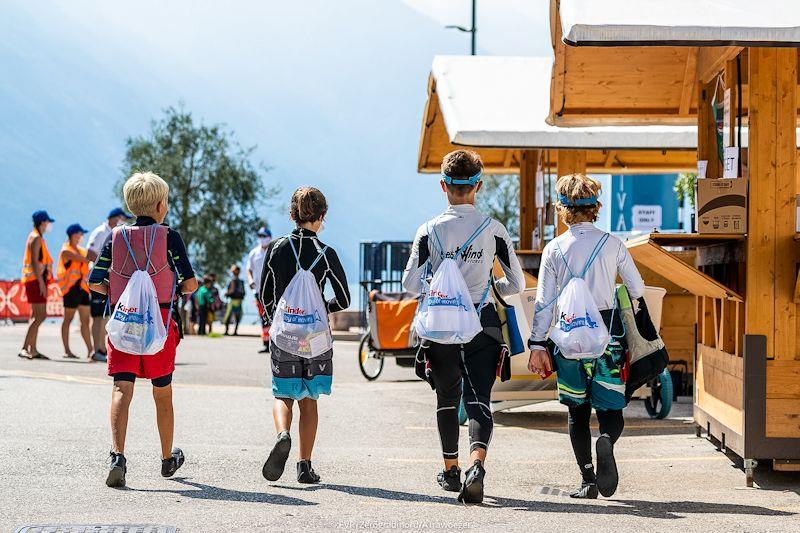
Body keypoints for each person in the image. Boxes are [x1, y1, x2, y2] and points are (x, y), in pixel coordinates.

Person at [402, 150, 524, 504]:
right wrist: (492, 290)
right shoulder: (494, 230)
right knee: (478, 399)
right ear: (478, 186)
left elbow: (410, 283)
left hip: (441, 322)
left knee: (446, 397)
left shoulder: (428, 230)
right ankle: (476, 465)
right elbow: (514, 284)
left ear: (443, 186)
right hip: (481, 320)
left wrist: (436, 288)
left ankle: (451, 470)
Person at [527, 173, 645, 500]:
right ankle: (606, 437)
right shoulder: (612, 244)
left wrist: (538, 344)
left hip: (567, 338)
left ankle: (588, 480)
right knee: (611, 409)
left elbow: (544, 303)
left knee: (576, 412)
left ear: (563, 209)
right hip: (608, 336)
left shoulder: (554, 249)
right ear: (596, 207)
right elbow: (636, 289)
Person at [88, 172, 198, 488]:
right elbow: (190, 283)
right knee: (162, 393)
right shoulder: (170, 237)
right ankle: (166, 458)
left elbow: (94, 280)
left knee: (122, 389)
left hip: (123, 326)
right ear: (161, 205)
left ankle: (118, 456)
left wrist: (118, 291)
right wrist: (172, 288)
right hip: (159, 328)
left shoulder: (115, 237)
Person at [259, 187, 349, 484]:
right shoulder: (327, 253)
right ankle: (304, 465)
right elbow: (344, 299)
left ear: (292, 215)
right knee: (309, 398)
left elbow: (264, 293)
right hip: (315, 338)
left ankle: (282, 434)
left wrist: (274, 320)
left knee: (282, 393)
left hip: (285, 333)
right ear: (322, 216)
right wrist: (323, 307)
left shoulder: (277, 247)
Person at [86, 207, 133, 362]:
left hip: (108, 276)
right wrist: (105, 264)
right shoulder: (101, 232)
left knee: (105, 316)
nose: (124, 222)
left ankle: (101, 348)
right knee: (98, 316)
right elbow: (89, 253)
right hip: (98, 277)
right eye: (122, 218)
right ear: (115, 218)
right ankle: (96, 350)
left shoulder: (115, 233)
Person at [19, 210, 56, 360]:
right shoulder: (36, 238)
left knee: (35, 315)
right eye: (47, 222)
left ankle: (32, 349)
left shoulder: (35, 236)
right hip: (35, 281)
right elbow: (35, 261)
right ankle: (24, 347)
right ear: (42, 222)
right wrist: (41, 283)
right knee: (40, 315)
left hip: (35, 280)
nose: (48, 225)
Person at [56, 223, 93, 359]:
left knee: (85, 321)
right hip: (71, 290)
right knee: (68, 320)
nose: (82, 236)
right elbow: (84, 259)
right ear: (73, 235)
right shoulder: (66, 250)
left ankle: (91, 350)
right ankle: (67, 350)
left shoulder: (81, 250)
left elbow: (87, 258)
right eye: (80, 234)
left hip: (82, 289)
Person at [247, 227, 272, 352]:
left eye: (264, 236)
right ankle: (266, 343)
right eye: (260, 236)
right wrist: (250, 281)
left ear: (269, 237)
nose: (262, 239)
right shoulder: (254, 253)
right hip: (258, 291)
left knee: (273, 316)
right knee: (263, 317)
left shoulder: (273, 251)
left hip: (272, 291)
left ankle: (276, 344)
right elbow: (249, 270)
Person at [224, 264, 245, 335]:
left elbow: (231, 291)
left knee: (229, 316)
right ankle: (234, 331)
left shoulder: (233, 281)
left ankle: (228, 331)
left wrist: (227, 293)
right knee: (236, 317)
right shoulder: (240, 281)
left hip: (233, 301)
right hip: (238, 301)